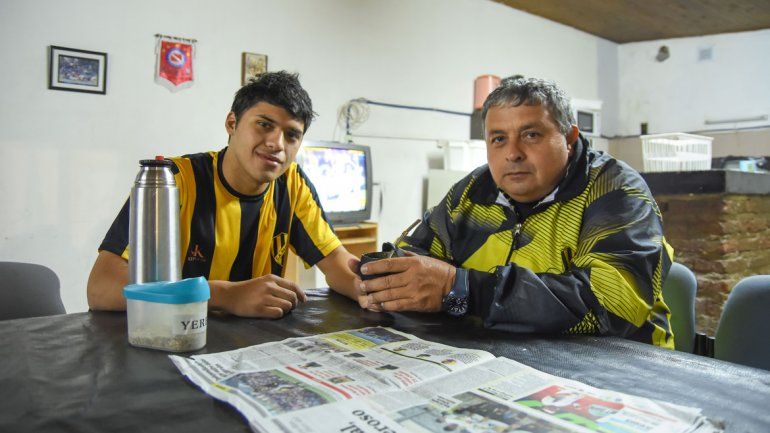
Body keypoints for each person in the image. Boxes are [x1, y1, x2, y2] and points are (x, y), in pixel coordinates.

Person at [355, 77, 675, 348]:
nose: (512, 154)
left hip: (623, 367)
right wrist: (388, 278)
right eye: (498, 139)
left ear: (569, 138)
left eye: (531, 135)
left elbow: (611, 305)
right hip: (508, 355)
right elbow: (421, 254)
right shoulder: (473, 190)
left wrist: (463, 288)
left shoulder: (615, 190)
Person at [87, 71, 360, 318]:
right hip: (168, 339)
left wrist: (377, 288)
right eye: (264, 125)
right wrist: (224, 295)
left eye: (291, 135)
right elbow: (101, 287)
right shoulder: (173, 181)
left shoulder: (292, 183)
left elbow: (337, 263)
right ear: (232, 123)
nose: (277, 144)